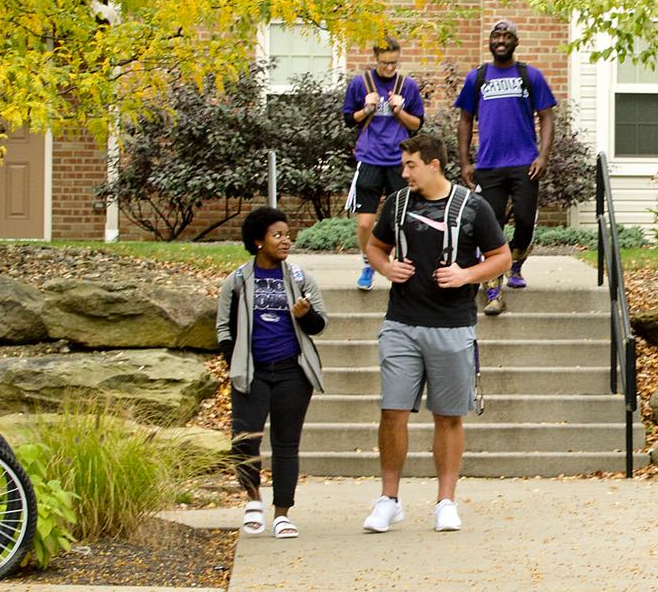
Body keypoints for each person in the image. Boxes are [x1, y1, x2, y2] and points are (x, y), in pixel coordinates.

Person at [362, 132, 511, 533]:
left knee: (448, 416)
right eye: (402, 165)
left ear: (433, 165)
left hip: (452, 325)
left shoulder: (471, 206)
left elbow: (502, 257)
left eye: (410, 165)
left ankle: (446, 501)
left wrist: (467, 274)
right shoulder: (396, 204)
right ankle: (388, 500)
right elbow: (374, 247)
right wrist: (385, 267)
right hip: (402, 324)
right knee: (392, 411)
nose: (403, 172)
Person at [217, 207, 329, 540]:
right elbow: (224, 329)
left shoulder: (300, 278)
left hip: (292, 373)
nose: (286, 240)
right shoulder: (237, 281)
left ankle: (282, 513)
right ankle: (253, 501)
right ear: (258, 240)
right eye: (277, 235)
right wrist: (233, 361)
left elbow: (320, 324)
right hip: (252, 373)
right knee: (244, 441)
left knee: (286, 443)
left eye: (287, 234)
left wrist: (304, 315)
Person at [455, 18, 555, 316]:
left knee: (525, 221)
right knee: (490, 228)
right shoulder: (478, 78)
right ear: (490, 41)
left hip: (525, 163)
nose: (500, 40)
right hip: (488, 166)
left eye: (506, 36)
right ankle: (494, 292)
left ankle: (516, 262)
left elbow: (547, 117)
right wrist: (464, 162)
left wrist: (543, 156)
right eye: (495, 36)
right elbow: (464, 120)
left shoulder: (530, 75)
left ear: (516, 42)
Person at [342, 35, 425, 290]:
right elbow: (348, 120)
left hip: (397, 161)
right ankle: (368, 263)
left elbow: (417, 125)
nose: (390, 68)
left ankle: (401, 263)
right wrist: (367, 109)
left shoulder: (406, 85)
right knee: (366, 221)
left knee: (401, 217)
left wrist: (399, 110)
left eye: (394, 63)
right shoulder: (361, 83)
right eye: (385, 63)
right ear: (376, 59)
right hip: (369, 157)